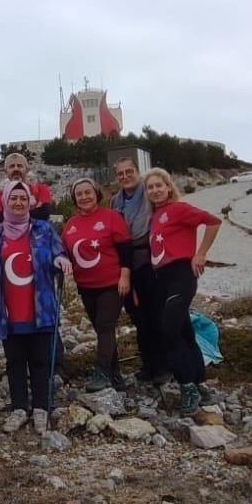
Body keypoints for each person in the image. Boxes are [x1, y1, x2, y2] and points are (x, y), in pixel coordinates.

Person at [0, 181, 72, 435]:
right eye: (13, 198)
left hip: (40, 307)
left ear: (30, 202)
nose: (18, 202)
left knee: (41, 359)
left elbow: (58, 251)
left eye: (23, 198)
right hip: (9, 309)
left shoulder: (44, 229)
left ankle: (41, 407)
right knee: (14, 360)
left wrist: (60, 259)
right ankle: (19, 406)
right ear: (5, 201)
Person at [143, 168, 222, 415]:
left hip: (180, 275)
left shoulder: (179, 208)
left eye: (159, 185)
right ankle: (200, 384)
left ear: (168, 186)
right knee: (184, 332)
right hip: (162, 278)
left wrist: (201, 254)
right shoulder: (155, 216)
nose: (155, 190)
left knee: (168, 330)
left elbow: (214, 221)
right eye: (150, 187)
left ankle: (186, 385)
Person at [63, 177, 133, 392]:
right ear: (75, 199)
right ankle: (115, 375)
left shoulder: (111, 217)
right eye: (79, 194)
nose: (84, 197)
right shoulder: (71, 224)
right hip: (85, 285)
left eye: (88, 192)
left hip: (112, 283)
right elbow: (65, 252)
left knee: (105, 325)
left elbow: (125, 250)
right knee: (103, 330)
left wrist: (125, 276)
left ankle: (101, 372)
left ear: (96, 194)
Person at [111, 156, 169, 384]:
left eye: (129, 171)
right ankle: (149, 364)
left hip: (150, 261)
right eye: (120, 173)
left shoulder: (149, 193)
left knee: (156, 313)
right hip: (125, 263)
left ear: (137, 171)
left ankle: (163, 366)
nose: (125, 176)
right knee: (138, 317)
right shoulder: (116, 201)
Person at [0, 153, 54, 224]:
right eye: (12, 166)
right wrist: (32, 212)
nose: (16, 169)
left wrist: (10, 215)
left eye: (19, 166)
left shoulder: (41, 189)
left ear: (27, 170)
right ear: (6, 171)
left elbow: (44, 213)